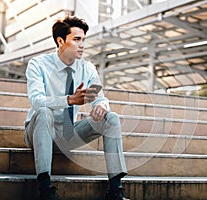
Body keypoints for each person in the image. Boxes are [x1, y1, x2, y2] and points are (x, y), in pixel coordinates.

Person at [24, 15, 129, 200]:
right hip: (38, 132)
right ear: (60, 41)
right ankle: (45, 187)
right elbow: (37, 101)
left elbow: (101, 98)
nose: (82, 45)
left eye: (83, 40)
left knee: (111, 118)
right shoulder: (38, 65)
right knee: (44, 111)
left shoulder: (87, 69)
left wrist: (101, 107)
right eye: (76, 39)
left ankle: (115, 188)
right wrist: (69, 100)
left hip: (68, 134)